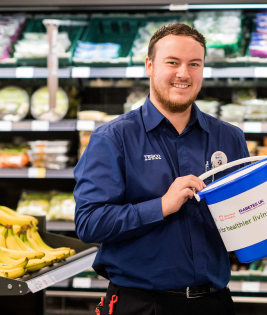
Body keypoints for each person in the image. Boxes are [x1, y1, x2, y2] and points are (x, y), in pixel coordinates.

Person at [74, 23, 248, 315]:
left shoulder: (229, 137)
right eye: (172, 62)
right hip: (141, 304)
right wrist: (161, 206)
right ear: (149, 66)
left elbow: (243, 218)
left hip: (214, 302)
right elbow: (89, 223)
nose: (184, 74)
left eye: (194, 64)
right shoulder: (113, 138)